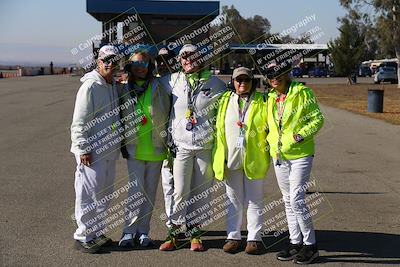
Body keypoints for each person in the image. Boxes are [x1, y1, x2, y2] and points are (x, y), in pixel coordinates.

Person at [159, 44, 226, 252]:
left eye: (192, 56)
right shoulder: (172, 80)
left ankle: (196, 233)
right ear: (179, 61)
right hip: (181, 147)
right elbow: (147, 85)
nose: (188, 60)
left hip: (205, 147)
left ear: (201, 58)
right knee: (179, 191)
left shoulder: (216, 84)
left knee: (201, 192)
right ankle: (175, 233)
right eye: (184, 57)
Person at [265, 63, 324, 264]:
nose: (274, 78)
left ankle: (311, 245)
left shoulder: (302, 92)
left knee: (297, 199)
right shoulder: (271, 98)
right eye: (270, 75)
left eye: (278, 74)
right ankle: (295, 242)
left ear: (286, 74)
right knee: (288, 201)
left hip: (300, 154)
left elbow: (317, 119)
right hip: (279, 156)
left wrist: (299, 136)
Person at [212, 67, 270, 255]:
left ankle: (254, 238)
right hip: (231, 158)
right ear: (232, 82)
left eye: (246, 80)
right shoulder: (225, 101)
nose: (242, 83)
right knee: (233, 200)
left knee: (255, 200)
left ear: (252, 82)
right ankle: (233, 236)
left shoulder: (262, 100)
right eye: (238, 80)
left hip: (254, 159)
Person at [70, 45, 121, 253]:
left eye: (114, 61)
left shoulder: (112, 86)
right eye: (106, 60)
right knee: (88, 194)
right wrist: (83, 148)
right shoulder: (90, 87)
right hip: (91, 153)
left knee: (104, 194)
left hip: (109, 151)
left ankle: (97, 232)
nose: (110, 64)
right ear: (99, 62)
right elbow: (79, 122)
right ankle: (83, 235)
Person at [118, 50, 171, 248]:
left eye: (145, 64)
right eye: (136, 64)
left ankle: (143, 231)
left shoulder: (160, 85)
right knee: (135, 191)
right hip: (135, 148)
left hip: (157, 148)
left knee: (149, 193)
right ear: (129, 67)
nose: (141, 67)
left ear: (150, 67)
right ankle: (128, 232)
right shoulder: (123, 89)